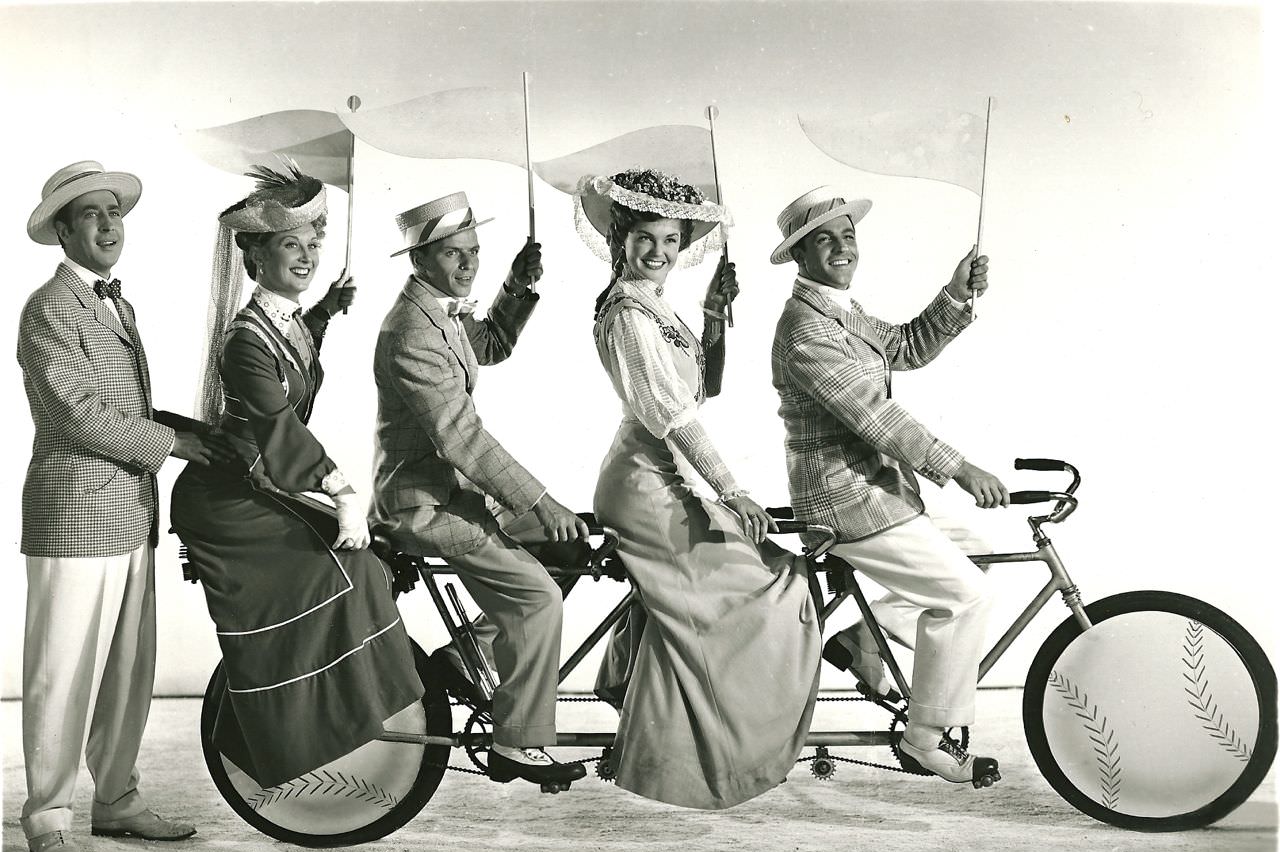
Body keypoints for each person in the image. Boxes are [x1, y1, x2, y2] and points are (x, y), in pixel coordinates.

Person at [170, 163, 425, 791]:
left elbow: (293, 352)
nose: (308, 256)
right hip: (226, 498)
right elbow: (280, 428)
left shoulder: (280, 323)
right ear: (256, 255)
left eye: (315, 243)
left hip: (257, 482)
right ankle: (288, 738)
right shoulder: (243, 342)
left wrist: (326, 313)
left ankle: (336, 716)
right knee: (353, 568)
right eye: (292, 244)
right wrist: (342, 492)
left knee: (374, 564)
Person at [577, 169, 823, 810]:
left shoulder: (655, 306)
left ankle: (665, 744)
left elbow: (699, 389)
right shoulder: (628, 313)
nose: (660, 252)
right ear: (619, 238)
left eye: (671, 239)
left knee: (762, 578)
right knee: (768, 590)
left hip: (661, 480)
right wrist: (731, 488)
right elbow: (670, 412)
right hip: (644, 488)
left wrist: (715, 313)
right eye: (646, 239)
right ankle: (697, 758)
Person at [18, 161, 229, 852]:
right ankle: (47, 815)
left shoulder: (118, 306)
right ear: (63, 230)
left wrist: (194, 432)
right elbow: (79, 415)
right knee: (63, 670)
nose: (109, 226)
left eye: (115, 213)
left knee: (128, 669)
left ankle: (116, 798)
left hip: (130, 511)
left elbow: (130, 411)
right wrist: (177, 444)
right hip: (74, 514)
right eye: (91, 215)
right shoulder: (49, 309)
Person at [770, 185, 1005, 787]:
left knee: (977, 551)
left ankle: (860, 642)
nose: (842, 248)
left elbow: (904, 346)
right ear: (799, 256)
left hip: (880, 491)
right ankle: (926, 737)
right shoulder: (805, 330)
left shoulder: (839, 310)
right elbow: (877, 417)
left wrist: (956, 293)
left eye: (847, 235)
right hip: (844, 502)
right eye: (824, 239)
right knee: (966, 597)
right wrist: (959, 467)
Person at [371, 191, 586, 789]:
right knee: (539, 600)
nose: (469, 266)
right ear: (419, 257)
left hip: (457, 493)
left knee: (565, 548)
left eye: (474, 253)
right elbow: (460, 438)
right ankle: (514, 744)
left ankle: (466, 659)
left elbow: (484, 347)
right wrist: (540, 500)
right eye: (453, 254)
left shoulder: (440, 308)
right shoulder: (412, 330)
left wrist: (517, 287)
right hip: (422, 503)